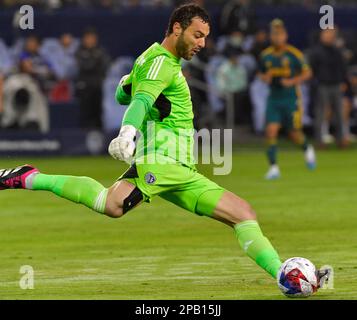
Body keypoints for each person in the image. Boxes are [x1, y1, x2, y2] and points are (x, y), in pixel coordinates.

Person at [0, 4, 327, 293]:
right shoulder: (162, 63)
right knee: (113, 205)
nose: (202, 44)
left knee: (243, 213)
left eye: (205, 38)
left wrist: (134, 84)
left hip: (183, 171)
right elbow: (139, 100)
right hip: (161, 160)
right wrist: (127, 132)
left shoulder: (151, 61)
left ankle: (283, 274)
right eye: (197, 35)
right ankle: (31, 177)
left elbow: (123, 94)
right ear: (176, 28)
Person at [259, 19, 315, 180]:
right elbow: (261, 74)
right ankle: (273, 167)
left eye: (280, 34)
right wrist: (265, 78)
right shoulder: (266, 56)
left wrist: (292, 81)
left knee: (293, 133)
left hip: (290, 98)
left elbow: (307, 73)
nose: (277, 38)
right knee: (271, 131)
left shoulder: (294, 54)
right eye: (274, 34)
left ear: (285, 35)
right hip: (274, 99)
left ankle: (306, 148)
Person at [308, 28, 348, 148]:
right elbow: (311, 69)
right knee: (321, 113)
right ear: (321, 35)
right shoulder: (316, 52)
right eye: (327, 34)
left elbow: (342, 68)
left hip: (336, 85)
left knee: (340, 114)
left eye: (331, 34)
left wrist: (343, 82)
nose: (329, 36)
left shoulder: (337, 51)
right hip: (322, 85)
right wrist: (315, 83)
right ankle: (319, 141)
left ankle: (341, 139)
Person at [75, 27, 110, 129]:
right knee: (85, 115)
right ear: (84, 39)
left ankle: (99, 140)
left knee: (98, 115)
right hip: (84, 88)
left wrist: (94, 61)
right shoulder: (79, 51)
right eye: (88, 38)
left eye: (92, 38)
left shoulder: (101, 51)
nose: (90, 41)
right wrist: (95, 61)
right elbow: (85, 66)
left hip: (97, 87)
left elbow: (105, 66)